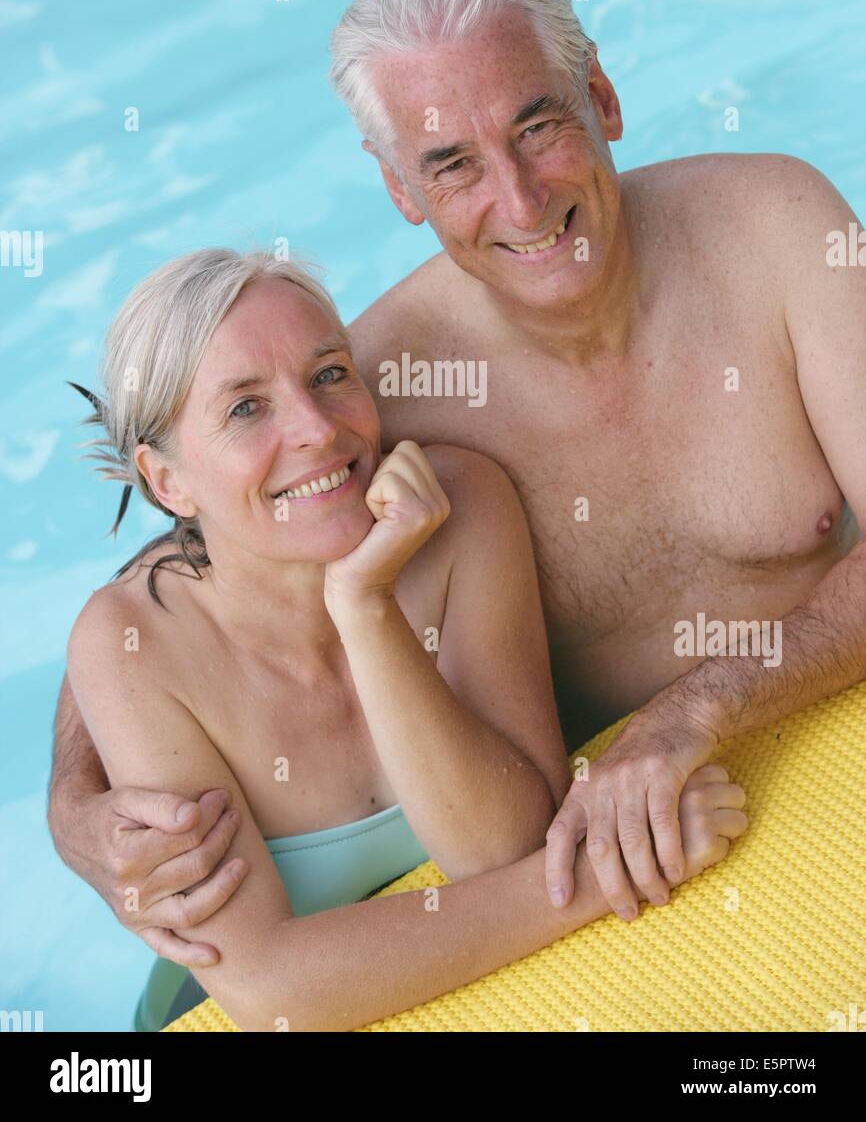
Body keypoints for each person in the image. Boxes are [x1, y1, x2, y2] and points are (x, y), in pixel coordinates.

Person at [50, 0, 862, 962]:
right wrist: (77, 812)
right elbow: (185, 557)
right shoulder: (366, 390)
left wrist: (689, 713)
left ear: (601, 97)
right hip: (595, 854)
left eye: (538, 124)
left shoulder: (776, 227)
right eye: (451, 165)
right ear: (400, 190)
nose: (520, 202)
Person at [60, 245, 746, 1031]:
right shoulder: (133, 646)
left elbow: (502, 848)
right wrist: (593, 878)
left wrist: (364, 605)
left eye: (328, 375)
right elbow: (273, 996)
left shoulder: (460, 508)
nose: (317, 429)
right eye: (246, 408)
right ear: (166, 480)